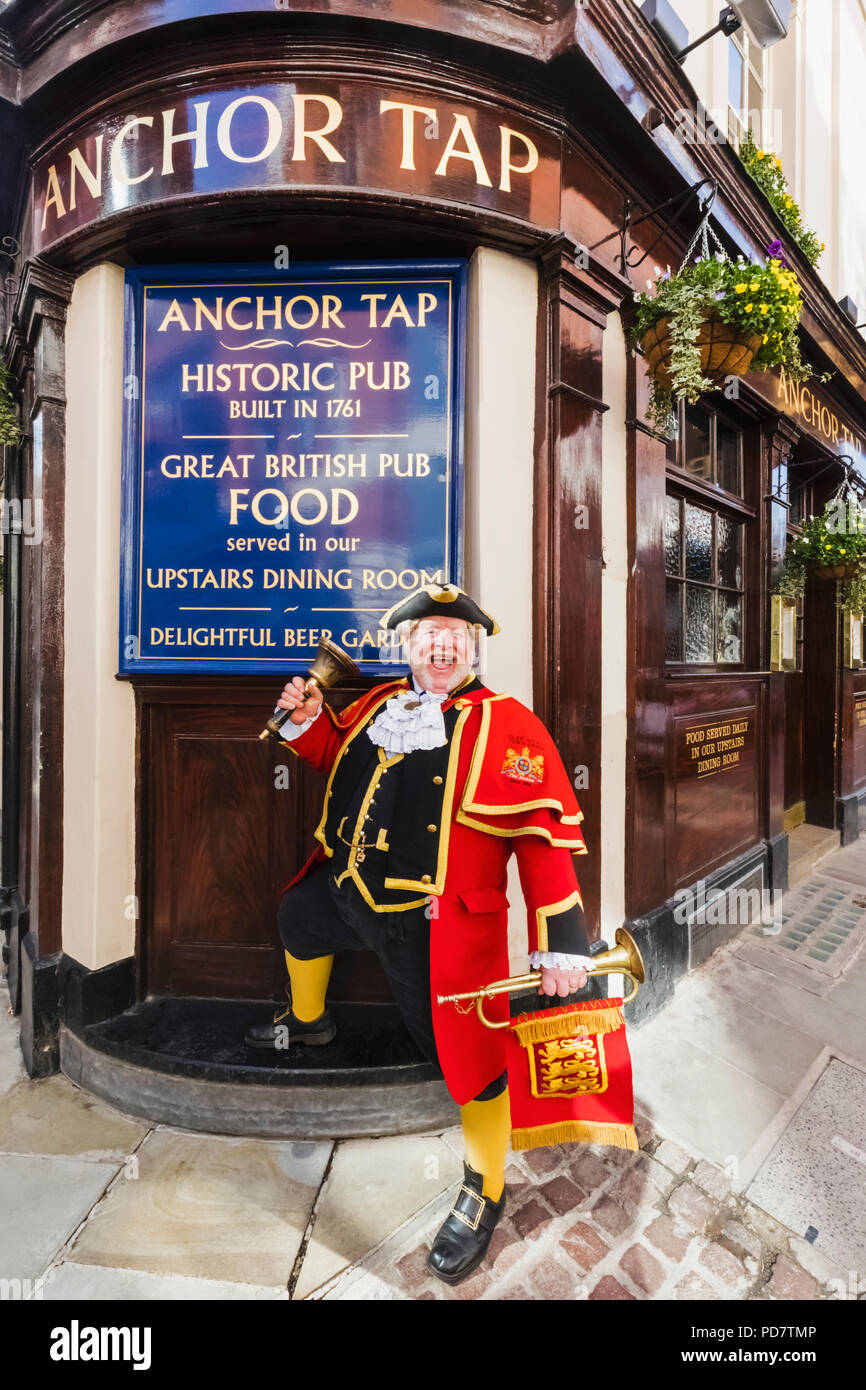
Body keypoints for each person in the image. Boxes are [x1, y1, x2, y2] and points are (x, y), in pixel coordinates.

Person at [247, 583, 592, 1284]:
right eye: (428, 634)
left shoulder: (511, 726)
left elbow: (542, 840)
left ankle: (484, 1188)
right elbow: (333, 758)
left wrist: (561, 945)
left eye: (455, 636)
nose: (441, 645)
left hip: (434, 926)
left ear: (473, 649)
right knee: (296, 917)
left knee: (470, 1063)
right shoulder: (378, 705)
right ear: (406, 646)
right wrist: (307, 721)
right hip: (349, 893)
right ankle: (309, 1024)